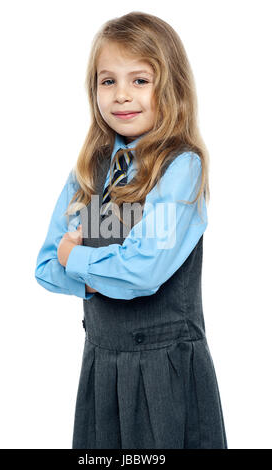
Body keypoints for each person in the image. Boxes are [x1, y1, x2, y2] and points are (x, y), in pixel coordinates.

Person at [35, 11, 228, 449]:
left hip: (165, 371)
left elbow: (142, 273)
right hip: (102, 367)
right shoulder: (89, 171)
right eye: (108, 81)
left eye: (140, 80)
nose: (122, 95)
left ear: (171, 87)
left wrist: (79, 258)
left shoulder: (180, 167)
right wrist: (100, 277)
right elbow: (46, 266)